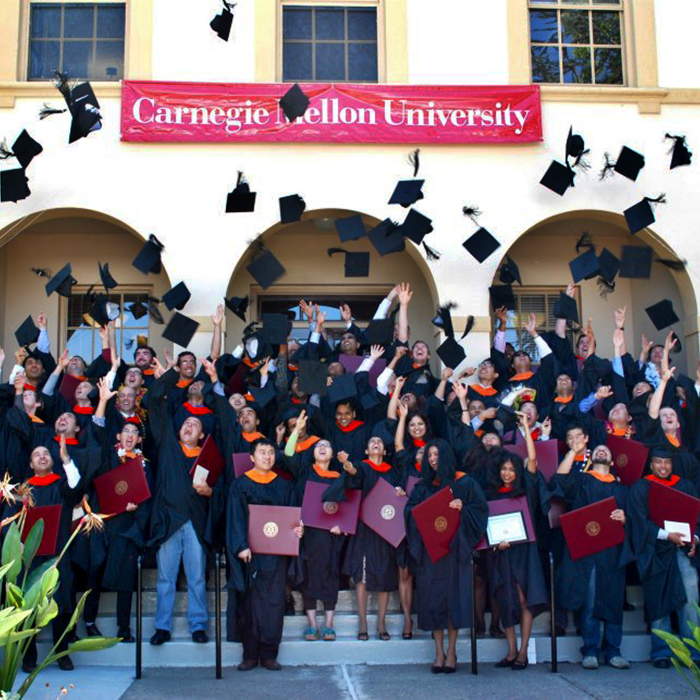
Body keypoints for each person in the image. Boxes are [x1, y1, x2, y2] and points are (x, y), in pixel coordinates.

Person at [405, 439, 488, 673]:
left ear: (447, 456)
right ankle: (439, 652)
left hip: (454, 552)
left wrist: (464, 507)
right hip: (432, 554)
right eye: (429, 455)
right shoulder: (423, 486)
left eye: (436, 455)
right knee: (433, 602)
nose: (432, 459)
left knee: (453, 602)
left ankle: (452, 651)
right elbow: (410, 513)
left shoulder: (465, 483)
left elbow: (480, 510)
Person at [552, 441, 632, 670]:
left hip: (613, 552)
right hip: (587, 552)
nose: (601, 451)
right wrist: (573, 452)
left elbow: (635, 519)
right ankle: (590, 650)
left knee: (613, 599)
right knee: (590, 599)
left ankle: (614, 651)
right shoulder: (581, 481)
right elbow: (560, 479)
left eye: (606, 450)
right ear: (590, 457)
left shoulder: (622, 490)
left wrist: (625, 518)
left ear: (613, 461)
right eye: (597, 450)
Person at [227, 438, 304, 670]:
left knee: (274, 603)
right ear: (252, 457)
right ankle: (250, 654)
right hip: (250, 554)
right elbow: (235, 518)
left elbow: (291, 517)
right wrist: (240, 546)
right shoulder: (240, 485)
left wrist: (297, 530)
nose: (267, 456)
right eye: (262, 452)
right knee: (249, 604)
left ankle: (270, 653)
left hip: (276, 554)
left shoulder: (283, 486)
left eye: (271, 452)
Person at [628, 446, 700, 668]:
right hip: (655, 551)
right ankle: (661, 651)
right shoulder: (641, 487)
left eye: (666, 462)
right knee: (658, 600)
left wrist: (695, 538)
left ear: (672, 464)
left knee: (690, 598)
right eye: (658, 462)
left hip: (681, 550)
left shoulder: (684, 486)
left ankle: (693, 652)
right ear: (651, 465)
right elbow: (637, 521)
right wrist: (667, 535)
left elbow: (697, 517)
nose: (662, 466)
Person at [488, 418, 548, 670]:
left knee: (523, 599)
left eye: (512, 469)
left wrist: (526, 431)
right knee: (506, 600)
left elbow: (532, 462)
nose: (507, 473)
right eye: (504, 469)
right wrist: (495, 544)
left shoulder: (526, 491)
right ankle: (511, 650)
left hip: (524, 552)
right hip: (502, 553)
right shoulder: (492, 495)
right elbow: (488, 528)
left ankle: (523, 650)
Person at [285, 411, 344, 641]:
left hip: (331, 536)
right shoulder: (304, 471)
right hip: (306, 533)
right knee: (307, 575)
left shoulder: (339, 478)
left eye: (326, 446)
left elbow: (344, 509)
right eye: (318, 445)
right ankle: (311, 623)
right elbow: (288, 453)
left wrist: (341, 526)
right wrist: (297, 432)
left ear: (332, 454)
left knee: (330, 575)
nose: (322, 448)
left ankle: (328, 623)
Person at [340, 435, 403, 641]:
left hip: (385, 530)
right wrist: (347, 464)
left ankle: (382, 624)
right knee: (362, 576)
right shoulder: (363, 467)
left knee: (385, 576)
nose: (376, 443)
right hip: (365, 528)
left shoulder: (392, 472)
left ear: (384, 451)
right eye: (371, 442)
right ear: (367, 451)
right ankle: (363, 623)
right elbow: (354, 474)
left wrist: (400, 492)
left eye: (379, 442)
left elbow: (397, 499)